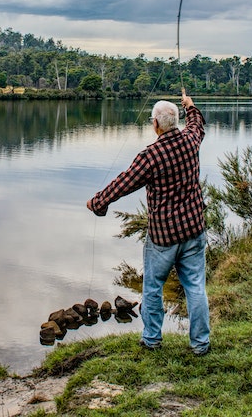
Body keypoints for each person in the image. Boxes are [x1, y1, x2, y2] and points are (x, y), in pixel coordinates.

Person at [86, 91, 210, 355]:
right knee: (196, 288)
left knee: (153, 288)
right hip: (194, 230)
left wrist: (99, 202)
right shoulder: (190, 140)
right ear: (175, 121)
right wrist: (190, 106)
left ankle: (152, 339)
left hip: (163, 237)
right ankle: (200, 344)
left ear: (155, 125)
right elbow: (197, 124)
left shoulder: (151, 155)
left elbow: (124, 182)